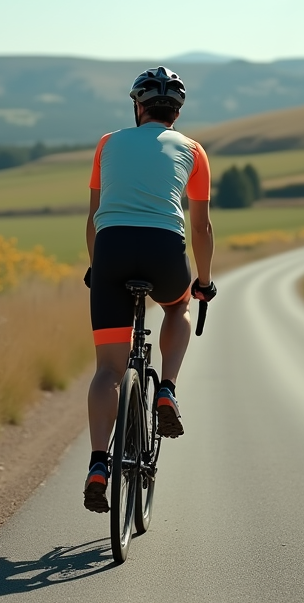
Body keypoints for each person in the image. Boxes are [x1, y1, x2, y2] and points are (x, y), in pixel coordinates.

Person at [82, 66, 217, 513]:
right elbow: (200, 225)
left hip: (112, 250)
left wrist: (94, 267)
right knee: (177, 309)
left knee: (108, 372)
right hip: (164, 251)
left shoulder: (108, 142)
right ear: (176, 113)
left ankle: (99, 464)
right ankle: (167, 390)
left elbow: (94, 217)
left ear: (137, 108)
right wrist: (203, 282)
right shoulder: (194, 151)